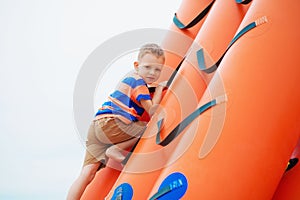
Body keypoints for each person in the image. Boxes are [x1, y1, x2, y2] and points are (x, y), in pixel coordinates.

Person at [67, 43, 166, 200]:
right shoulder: (138, 82)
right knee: (149, 128)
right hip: (112, 124)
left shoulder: (129, 79)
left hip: (97, 126)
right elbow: (152, 110)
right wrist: (160, 90)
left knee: (87, 173)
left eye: (157, 69)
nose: (152, 73)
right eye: (147, 67)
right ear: (137, 65)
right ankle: (115, 150)